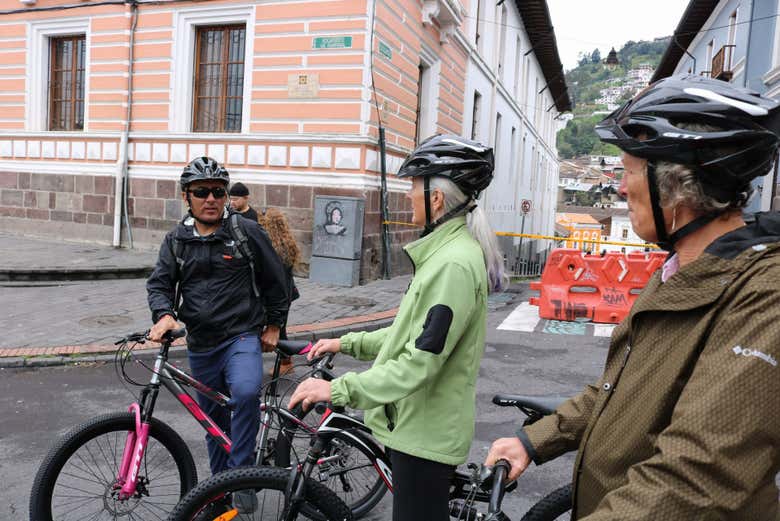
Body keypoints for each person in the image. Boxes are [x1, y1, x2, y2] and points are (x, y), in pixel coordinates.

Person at [486, 74, 780, 520]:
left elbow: (696, 478)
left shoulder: (762, 292)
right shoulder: (678, 271)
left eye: (629, 170)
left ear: (677, 184)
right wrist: (535, 441)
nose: (621, 188)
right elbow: (617, 393)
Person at [289, 135, 508, 521]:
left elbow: (419, 361)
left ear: (436, 199)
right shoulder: (443, 254)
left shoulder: (452, 265)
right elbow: (410, 333)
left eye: (413, 186)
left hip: (426, 436)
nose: (408, 195)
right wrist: (346, 342)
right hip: (417, 427)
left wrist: (338, 388)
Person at [146, 157, 289, 482]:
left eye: (217, 192)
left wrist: (274, 325)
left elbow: (278, 280)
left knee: (245, 391)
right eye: (201, 192)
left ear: (225, 196)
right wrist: (165, 314)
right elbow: (160, 283)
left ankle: (242, 477)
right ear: (187, 197)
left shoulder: (245, 232)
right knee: (213, 423)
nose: (210, 198)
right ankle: (219, 491)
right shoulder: (176, 241)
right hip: (200, 343)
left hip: (240, 336)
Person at [258, 207, 301, 375]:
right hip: (286, 293)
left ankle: (286, 361)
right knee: (279, 329)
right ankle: (286, 361)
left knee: (276, 329)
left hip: (278, 295)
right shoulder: (285, 244)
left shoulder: (272, 248)